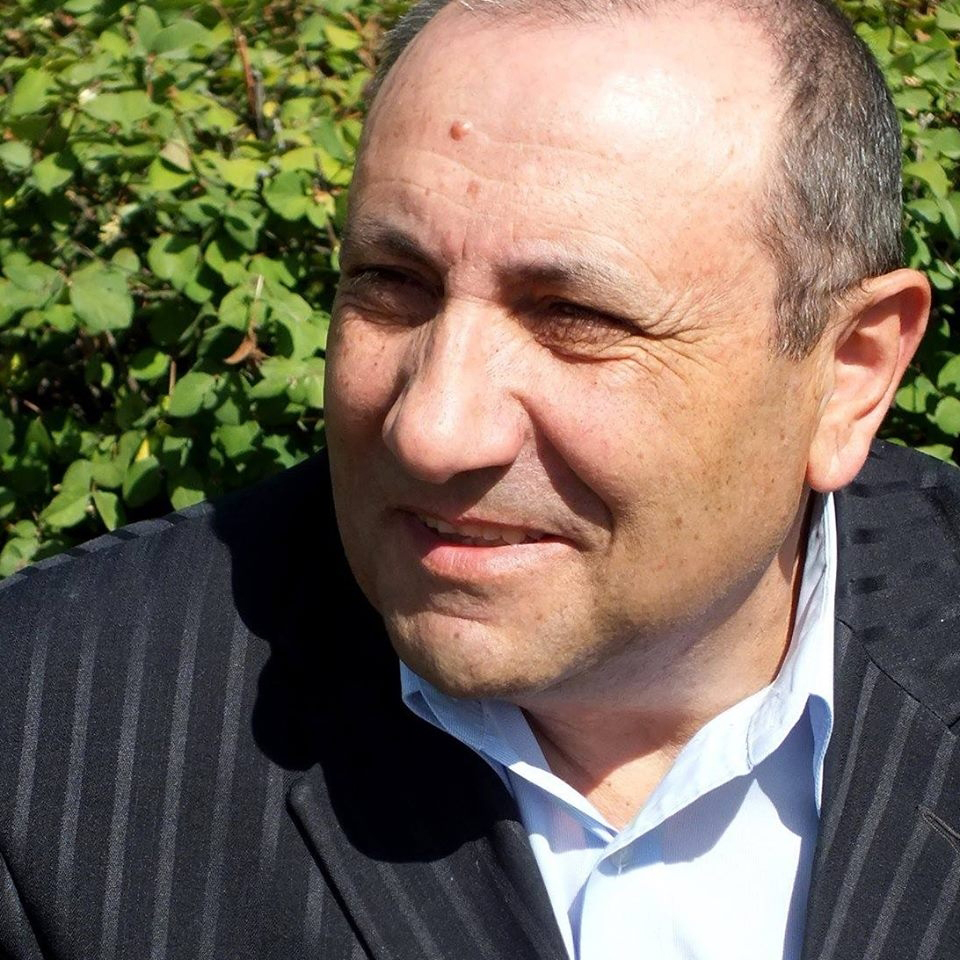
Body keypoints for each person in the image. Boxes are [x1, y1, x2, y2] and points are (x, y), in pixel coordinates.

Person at [0, 0, 955, 958]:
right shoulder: (46, 734)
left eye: (575, 317)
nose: (431, 432)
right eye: (391, 284)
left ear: (849, 374)